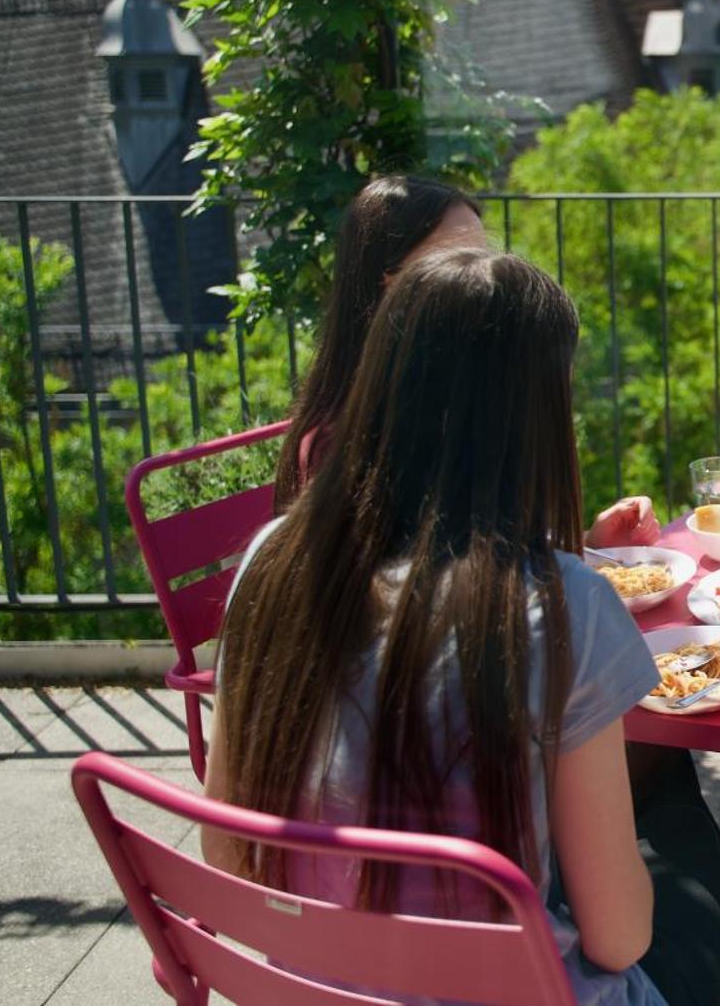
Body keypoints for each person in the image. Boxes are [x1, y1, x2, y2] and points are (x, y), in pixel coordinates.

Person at [207, 249, 666, 1004]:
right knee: (688, 910)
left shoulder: (271, 563)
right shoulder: (562, 604)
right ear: (531, 418)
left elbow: (228, 847)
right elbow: (619, 936)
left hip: (309, 989)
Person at [272, 173, 657, 550]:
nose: (485, 277)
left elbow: (488, 557)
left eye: (483, 257)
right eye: (458, 260)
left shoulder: (449, 401)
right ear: (392, 285)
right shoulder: (345, 443)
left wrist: (587, 546)